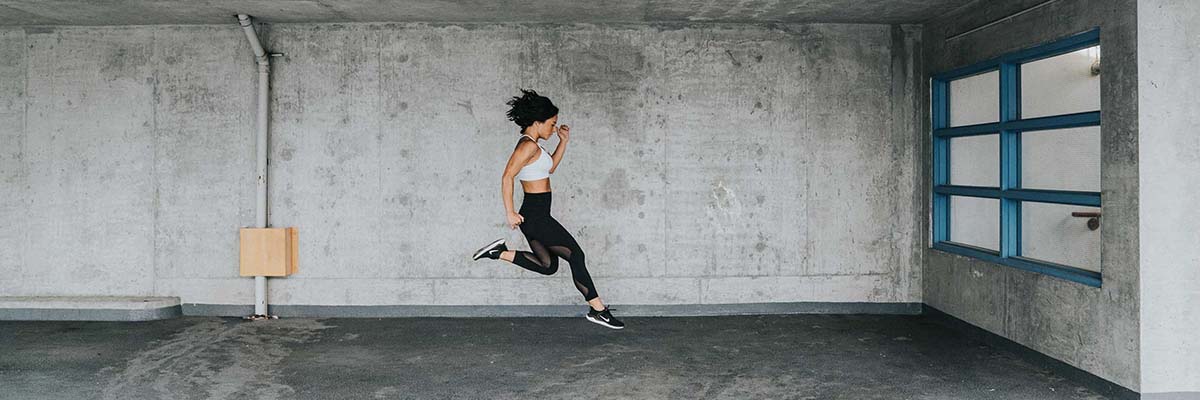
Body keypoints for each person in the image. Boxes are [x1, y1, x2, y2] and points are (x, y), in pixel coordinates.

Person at [471, 89, 624, 330]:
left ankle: (498, 252)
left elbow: (549, 168)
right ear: (537, 121)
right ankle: (598, 310)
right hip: (535, 215)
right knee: (576, 256)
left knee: (548, 266)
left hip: (537, 214)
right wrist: (510, 212)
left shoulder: (535, 146)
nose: (554, 129)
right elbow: (507, 177)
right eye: (551, 125)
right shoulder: (526, 147)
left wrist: (563, 142)